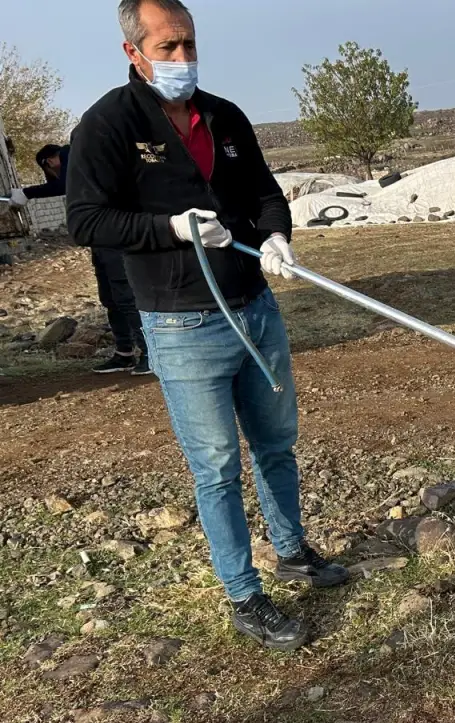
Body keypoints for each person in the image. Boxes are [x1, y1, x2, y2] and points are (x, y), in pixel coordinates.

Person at [67, 0, 349, 652]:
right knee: (218, 467)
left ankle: (291, 550)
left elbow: (263, 193)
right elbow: (86, 219)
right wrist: (167, 229)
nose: (183, 59)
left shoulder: (224, 117)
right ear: (133, 51)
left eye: (189, 43)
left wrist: (277, 235)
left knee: (277, 442)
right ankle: (245, 595)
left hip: (255, 308)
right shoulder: (108, 125)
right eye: (168, 47)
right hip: (182, 326)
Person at [9, 142, 151, 375]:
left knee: (124, 296)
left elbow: (64, 184)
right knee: (111, 298)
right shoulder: (81, 159)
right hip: (99, 239)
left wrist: (27, 192)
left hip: (113, 235)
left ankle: (149, 353)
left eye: (49, 170)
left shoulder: (71, 153)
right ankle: (124, 353)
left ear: (49, 161)